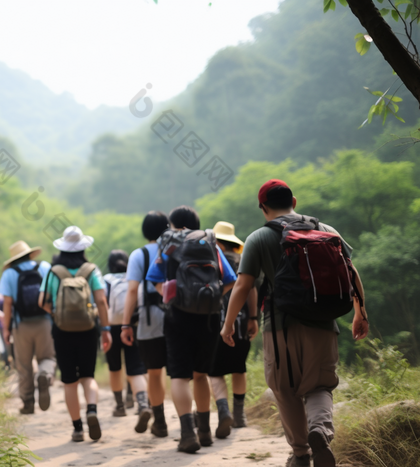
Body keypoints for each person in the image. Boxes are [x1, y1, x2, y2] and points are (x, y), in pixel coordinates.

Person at [221, 180, 369, 467]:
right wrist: (360, 313)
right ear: (295, 201)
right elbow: (352, 273)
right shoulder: (327, 231)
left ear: (263, 207)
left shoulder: (258, 238)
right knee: (320, 385)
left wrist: (228, 325)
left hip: (279, 328)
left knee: (285, 390)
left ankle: (300, 453)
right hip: (323, 324)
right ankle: (320, 431)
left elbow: (243, 286)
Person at [145, 206, 237, 454]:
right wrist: (214, 298)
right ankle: (205, 431)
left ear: (173, 225)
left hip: (178, 317)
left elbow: (153, 279)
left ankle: (187, 434)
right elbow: (230, 280)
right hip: (209, 317)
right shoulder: (210, 243)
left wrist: (172, 297)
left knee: (179, 376)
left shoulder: (169, 243)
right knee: (201, 374)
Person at [38, 226, 112, 442]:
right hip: (89, 330)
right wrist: (106, 329)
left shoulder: (54, 272)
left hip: (62, 331)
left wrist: (57, 314)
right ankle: (92, 410)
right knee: (88, 376)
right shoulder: (91, 270)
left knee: (69, 381)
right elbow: (101, 301)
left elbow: (41, 301)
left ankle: (78, 429)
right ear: (82, 248)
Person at [120, 211, 171, 438]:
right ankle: (194, 421)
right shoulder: (174, 249)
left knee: (154, 372)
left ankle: (160, 423)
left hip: (149, 319)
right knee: (182, 374)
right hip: (176, 316)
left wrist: (125, 324)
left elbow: (132, 290)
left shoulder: (138, 255)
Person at [208, 221, 259, 429]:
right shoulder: (242, 260)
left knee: (214, 371)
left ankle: (223, 412)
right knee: (239, 368)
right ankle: (240, 416)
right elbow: (252, 290)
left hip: (216, 324)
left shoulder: (212, 260)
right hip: (241, 323)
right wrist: (253, 318)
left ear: (217, 242)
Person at [0, 240, 55, 415]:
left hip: (21, 324)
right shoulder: (44, 267)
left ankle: (28, 403)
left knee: (23, 365)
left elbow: (7, 303)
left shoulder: (9, 274)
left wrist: (6, 329)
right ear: (30, 254)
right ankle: (44, 375)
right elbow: (53, 292)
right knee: (48, 358)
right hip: (45, 321)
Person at [103, 250, 151, 431]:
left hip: (111, 327)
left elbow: (102, 303)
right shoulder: (134, 277)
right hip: (133, 325)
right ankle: (143, 404)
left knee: (115, 368)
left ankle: (120, 406)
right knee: (136, 370)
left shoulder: (106, 279)